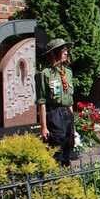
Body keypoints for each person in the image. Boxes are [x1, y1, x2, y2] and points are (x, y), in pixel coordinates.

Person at [35, 38, 75, 167]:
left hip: (67, 114)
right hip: (54, 114)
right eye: (62, 50)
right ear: (53, 53)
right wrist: (43, 127)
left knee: (68, 145)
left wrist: (73, 126)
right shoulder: (44, 74)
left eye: (66, 50)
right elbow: (41, 101)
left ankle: (66, 178)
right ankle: (54, 177)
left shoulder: (68, 72)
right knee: (57, 147)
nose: (66, 53)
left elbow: (70, 101)